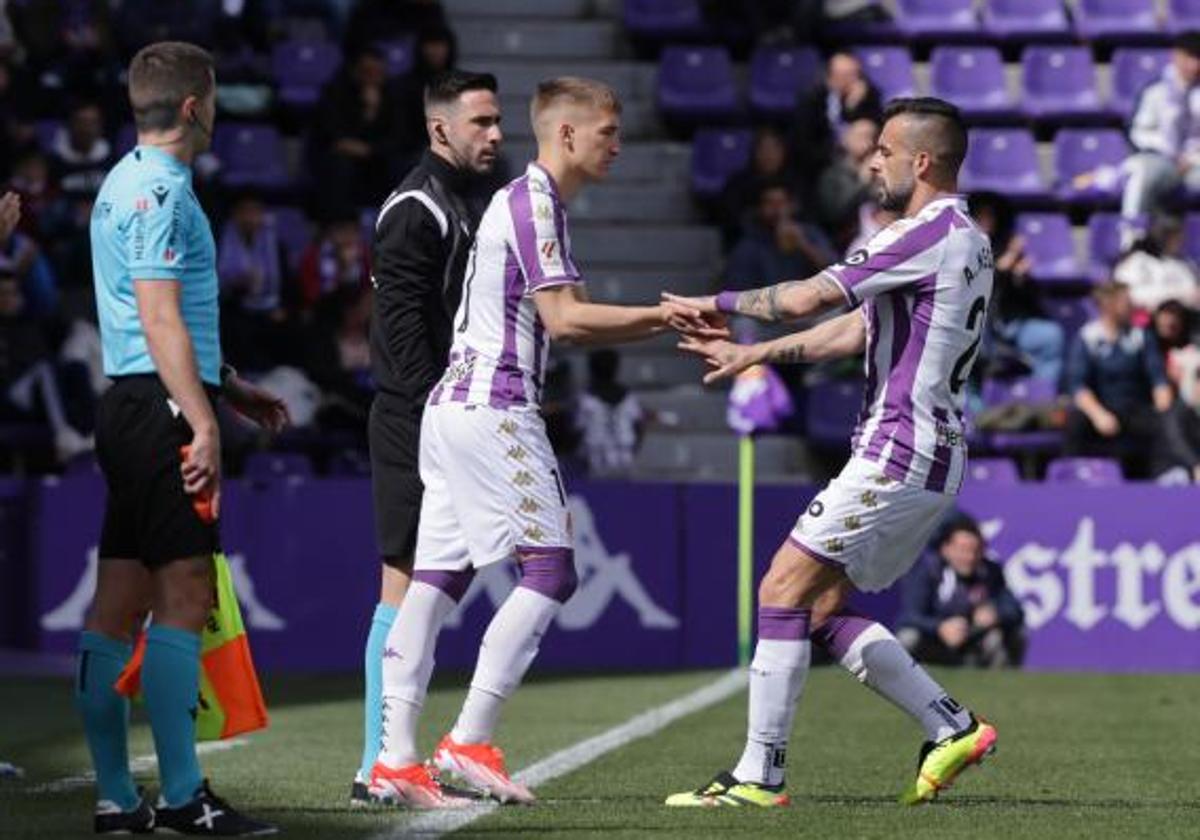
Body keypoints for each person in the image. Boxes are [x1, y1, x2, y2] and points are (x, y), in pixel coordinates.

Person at [368, 76, 717, 808]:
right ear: (565, 136)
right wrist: (666, 315)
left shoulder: (521, 202)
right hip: (496, 408)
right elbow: (565, 320)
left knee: (435, 580)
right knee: (551, 570)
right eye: (607, 134)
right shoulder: (532, 203)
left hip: (450, 410)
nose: (617, 147)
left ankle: (396, 759)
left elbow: (563, 311)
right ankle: (467, 739)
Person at [665, 98, 998, 808]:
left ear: (923, 161)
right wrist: (749, 355)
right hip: (929, 453)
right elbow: (852, 334)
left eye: (883, 150)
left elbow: (810, 296)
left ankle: (759, 775)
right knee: (815, 611)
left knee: (780, 591)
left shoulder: (922, 232)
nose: (870, 161)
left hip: (898, 450)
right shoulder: (964, 237)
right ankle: (951, 726)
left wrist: (717, 299)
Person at [80, 41, 288, 836]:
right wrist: (202, 419)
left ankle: (114, 800)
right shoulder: (165, 191)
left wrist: (227, 384)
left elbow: (146, 324)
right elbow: (159, 315)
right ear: (196, 106)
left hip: (129, 401)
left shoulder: (119, 183)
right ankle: (181, 799)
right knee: (183, 597)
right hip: (163, 409)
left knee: (115, 606)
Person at [352, 69, 502, 805]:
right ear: (441, 128)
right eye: (481, 122)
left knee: (426, 588)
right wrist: (442, 412)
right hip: (415, 417)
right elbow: (402, 333)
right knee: (406, 586)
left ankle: (387, 760)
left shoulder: (449, 204)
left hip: (429, 413)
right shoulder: (418, 208)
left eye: (497, 120)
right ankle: (377, 764)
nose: (495, 134)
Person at [1064, 281, 1200, 480]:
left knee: (1170, 421)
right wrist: (1098, 415)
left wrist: (1164, 405)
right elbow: (1078, 385)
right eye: (1125, 302)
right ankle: (1071, 477)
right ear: (1109, 305)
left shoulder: (1140, 336)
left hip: (1136, 409)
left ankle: (1161, 479)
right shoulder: (1088, 337)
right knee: (1075, 421)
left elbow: (1158, 379)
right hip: (1102, 408)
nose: (1132, 306)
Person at [897, 517, 1026, 668]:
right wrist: (940, 627)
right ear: (946, 549)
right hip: (933, 640)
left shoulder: (990, 571)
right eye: (963, 550)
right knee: (907, 637)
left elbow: (1014, 608)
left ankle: (999, 686)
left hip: (973, 640)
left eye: (976, 551)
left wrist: (995, 614)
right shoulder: (928, 571)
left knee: (1007, 636)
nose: (969, 557)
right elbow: (910, 616)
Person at [1120, 32, 1200, 243]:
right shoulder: (1155, 90)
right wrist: (1169, 155)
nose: (1195, 65)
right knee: (1142, 175)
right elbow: (1137, 133)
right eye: (1190, 57)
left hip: (1194, 166)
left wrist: (1191, 159)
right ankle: (1131, 242)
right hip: (1160, 161)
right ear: (1177, 56)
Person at [725, 180, 837, 293]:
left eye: (782, 203)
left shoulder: (810, 233)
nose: (777, 209)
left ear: (792, 206)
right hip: (767, 306)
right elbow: (738, 293)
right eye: (769, 203)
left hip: (811, 303)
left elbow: (836, 276)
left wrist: (804, 245)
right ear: (759, 209)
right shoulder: (748, 246)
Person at [576, 349, 646, 476]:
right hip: (599, 457)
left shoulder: (585, 399)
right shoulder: (629, 396)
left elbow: (578, 430)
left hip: (619, 455)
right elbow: (639, 427)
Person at [1113, 214, 1200, 313]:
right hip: (1148, 321)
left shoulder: (1185, 264)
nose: (1179, 241)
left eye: (1179, 236)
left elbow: (1195, 293)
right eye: (1173, 236)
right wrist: (1181, 294)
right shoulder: (1139, 260)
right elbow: (1134, 295)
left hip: (1187, 318)